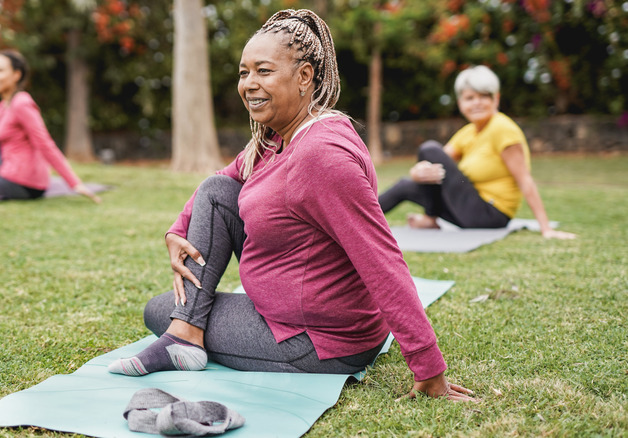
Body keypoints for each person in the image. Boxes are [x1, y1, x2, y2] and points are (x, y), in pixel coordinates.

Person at [109, 9, 477, 402]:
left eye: (263, 71)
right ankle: (185, 332)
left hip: (318, 340)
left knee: (158, 309)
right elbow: (222, 180)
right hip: (291, 315)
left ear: (304, 77)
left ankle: (184, 332)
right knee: (217, 192)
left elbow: (381, 258)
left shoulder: (321, 155)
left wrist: (429, 369)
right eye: (243, 72)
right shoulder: (277, 137)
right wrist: (176, 230)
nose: (249, 83)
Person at [378, 65, 575, 239]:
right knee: (405, 185)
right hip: (467, 208)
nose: (477, 103)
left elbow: (524, 179)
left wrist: (546, 228)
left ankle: (430, 218)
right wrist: (417, 172)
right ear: (460, 103)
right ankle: (354, 225)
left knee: (429, 148)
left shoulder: (502, 128)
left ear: (496, 99)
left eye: (484, 96)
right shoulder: (468, 132)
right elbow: (436, 162)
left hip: (490, 213)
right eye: (470, 98)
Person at [0, 50, 100, 204]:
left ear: (16, 75)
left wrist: (75, 183)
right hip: (10, 179)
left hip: (20, 182)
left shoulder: (21, 103)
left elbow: (45, 143)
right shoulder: (3, 106)